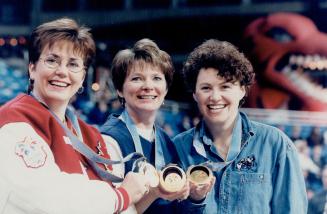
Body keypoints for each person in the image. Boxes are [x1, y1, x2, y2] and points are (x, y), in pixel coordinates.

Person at [0, 18, 150, 214]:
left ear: (82, 77)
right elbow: (47, 200)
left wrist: (151, 193)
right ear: (32, 68)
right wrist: (120, 196)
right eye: (52, 60)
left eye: (73, 64)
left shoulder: (91, 136)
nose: (62, 71)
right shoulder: (14, 120)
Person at [173, 39, 308, 213]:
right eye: (206, 88)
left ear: (242, 90)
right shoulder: (177, 148)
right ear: (194, 94)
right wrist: (194, 200)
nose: (215, 97)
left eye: (225, 87)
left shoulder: (275, 144)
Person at [100, 38, 214, 213]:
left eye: (156, 78)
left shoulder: (165, 141)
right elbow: (109, 210)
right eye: (137, 78)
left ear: (166, 89)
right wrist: (154, 193)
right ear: (120, 90)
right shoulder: (109, 140)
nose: (148, 86)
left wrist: (194, 197)